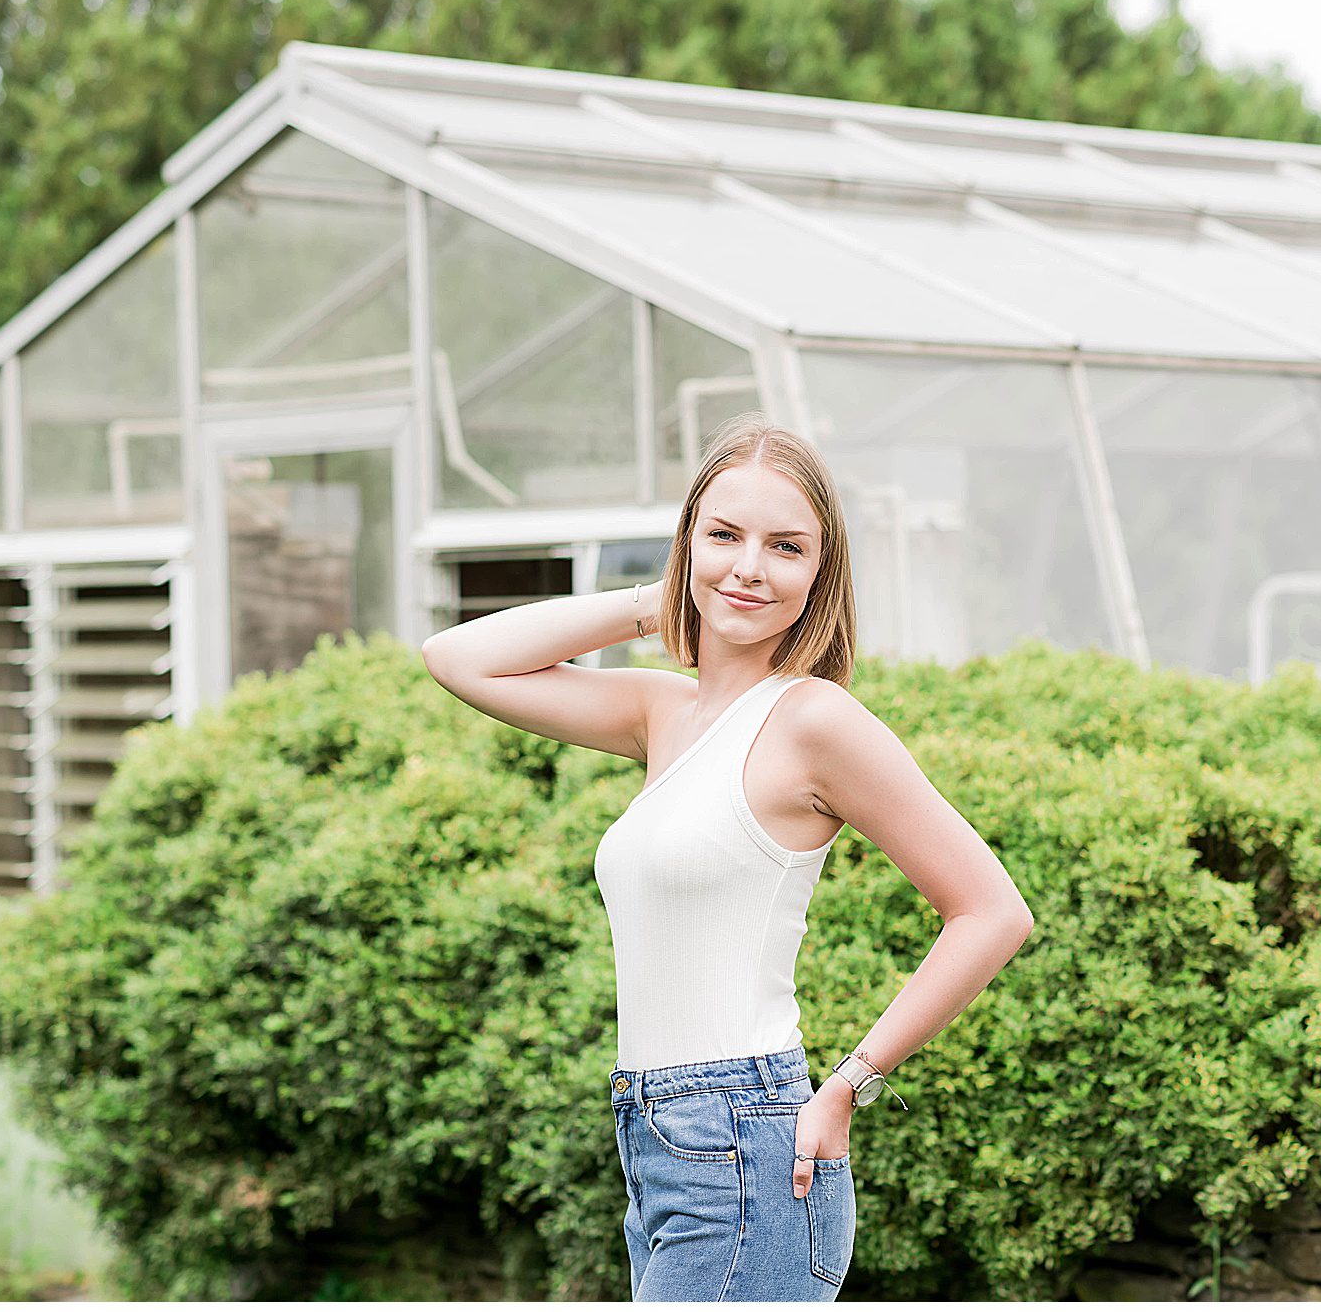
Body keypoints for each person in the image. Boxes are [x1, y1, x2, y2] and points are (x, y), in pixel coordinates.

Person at [421, 413, 1035, 1300]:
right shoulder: (662, 713)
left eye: (786, 545)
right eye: (723, 536)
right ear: (687, 543)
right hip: (656, 1134)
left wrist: (850, 1084)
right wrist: (665, 597)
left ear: (821, 572)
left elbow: (991, 910)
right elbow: (458, 656)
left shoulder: (814, 721)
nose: (750, 566)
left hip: (745, 1141)